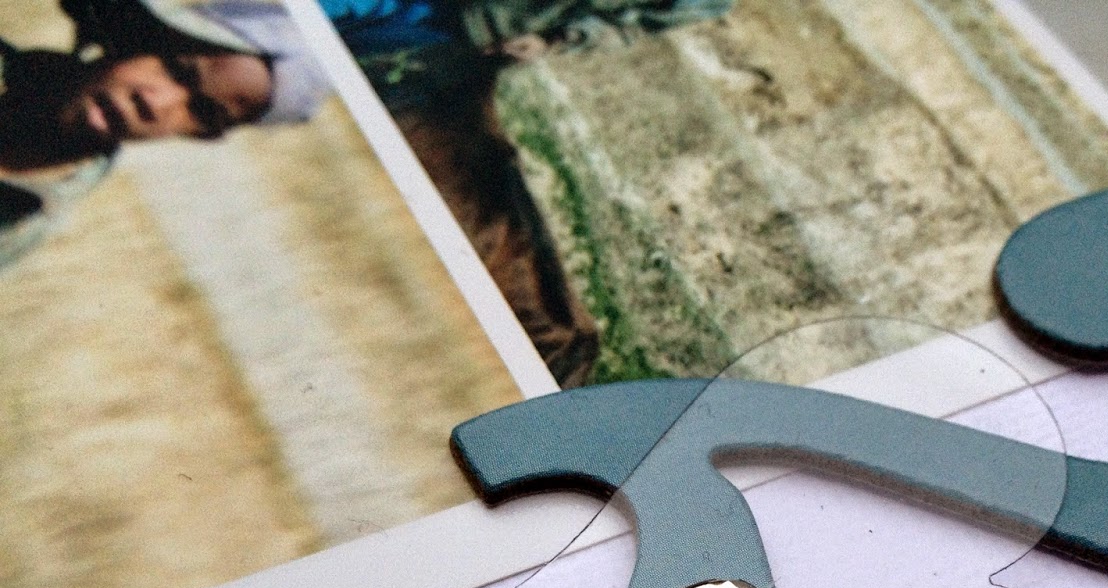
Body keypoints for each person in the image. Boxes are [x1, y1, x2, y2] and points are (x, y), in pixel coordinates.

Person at [322, 0, 732, 386]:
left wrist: (557, 39)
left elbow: (628, 24)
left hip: (448, 49)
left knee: (557, 340)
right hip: (403, 31)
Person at [0, 0, 329, 270]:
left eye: (203, 111)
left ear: (201, 135)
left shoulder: (32, 214)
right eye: (177, 69)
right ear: (142, 38)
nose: (155, 103)